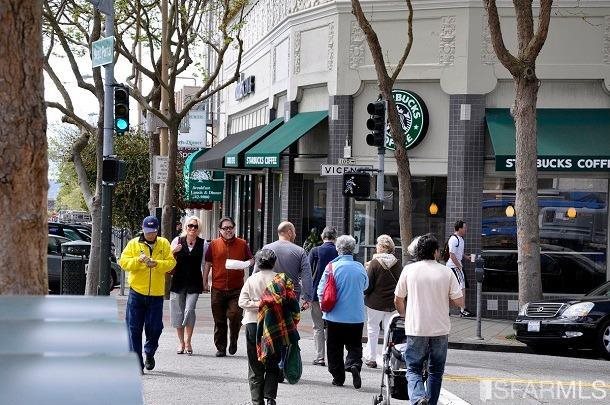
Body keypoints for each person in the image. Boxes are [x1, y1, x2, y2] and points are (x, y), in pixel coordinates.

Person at [394, 234, 464, 405]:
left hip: (416, 327)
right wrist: (442, 298)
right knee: (436, 370)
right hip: (440, 327)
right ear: (435, 252)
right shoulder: (446, 271)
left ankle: (417, 398)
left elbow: (398, 298)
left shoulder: (409, 270)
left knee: (413, 368)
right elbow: (460, 302)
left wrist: (404, 315)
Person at [119, 215, 176, 373]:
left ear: (157, 230)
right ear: (142, 229)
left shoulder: (163, 243)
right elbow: (123, 262)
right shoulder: (133, 244)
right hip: (136, 293)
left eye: (153, 231)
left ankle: (149, 352)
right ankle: (137, 362)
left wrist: (156, 263)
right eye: (147, 231)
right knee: (134, 329)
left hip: (156, 295)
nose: (150, 234)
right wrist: (138, 260)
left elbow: (171, 263)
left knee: (155, 328)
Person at [317, 235, 368, 389]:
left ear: (338, 249)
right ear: (353, 249)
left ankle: (338, 377)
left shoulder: (331, 267)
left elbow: (321, 290)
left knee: (334, 347)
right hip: (356, 316)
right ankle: (354, 364)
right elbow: (365, 287)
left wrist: (321, 305)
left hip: (334, 315)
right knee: (354, 345)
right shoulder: (360, 267)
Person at [203, 217, 254, 357]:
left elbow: (252, 259)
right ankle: (221, 347)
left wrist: (245, 264)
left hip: (236, 288)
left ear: (234, 228)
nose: (228, 230)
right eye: (225, 228)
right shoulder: (213, 244)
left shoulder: (242, 244)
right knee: (219, 320)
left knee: (235, 315)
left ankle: (233, 340)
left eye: (230, 227)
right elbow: (207, 263)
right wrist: (205, 281)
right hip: (218, 288)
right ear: (220, 230)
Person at [239, 249, 281, 405]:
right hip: (274, 324)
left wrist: (257, 304)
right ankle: (270, 396)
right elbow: (288, 304)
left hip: (253, 322)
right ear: (274, 262)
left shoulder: (252, 279)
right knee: (272, 360)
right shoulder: (279, 280)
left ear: (257, 263)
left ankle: (256, 399)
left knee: (255, 362)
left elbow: (242, 302)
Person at [363, 234, 402, 369]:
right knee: (388, 331)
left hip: (375, 302)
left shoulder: (374, 263)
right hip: (392, 303)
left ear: (381, 247)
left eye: (377, 245)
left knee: (372, 329)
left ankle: (371, 358)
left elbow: (368, 286)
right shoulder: (397, 263)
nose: (376, 247)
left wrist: (364, 294)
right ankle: (387, 359)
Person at [169, 215, 206, 355]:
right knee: (178, 311)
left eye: (195, 226)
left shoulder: (203, 244)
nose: (192, 228)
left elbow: (205, 263)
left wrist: (206, 282)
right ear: (185, 227)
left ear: (198, 229)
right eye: (190, 226)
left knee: (189, 310)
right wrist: (174, 251)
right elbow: (168, 260)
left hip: (194, 281)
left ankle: (189, 340)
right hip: (178, 281)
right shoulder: (177, 241)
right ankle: (181, 343)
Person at [263, 221, 313, 308]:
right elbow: (306, 276)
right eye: (294, 232)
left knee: (271, 319)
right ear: (289, 232)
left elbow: (257, 272)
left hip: (270, 292)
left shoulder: (266, 248)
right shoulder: (300, 251)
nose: (295, 234)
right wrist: (307, 297)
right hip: (292, 294)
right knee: (289, 320)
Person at [307, 226, 338, 367]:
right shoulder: (339, 251)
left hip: (316, 294)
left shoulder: (315, 251)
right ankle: (333, 358)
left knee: (318, 326)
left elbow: (307, 272)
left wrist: (306, 294)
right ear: (335, 238)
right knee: (332, 327)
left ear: (322, 236)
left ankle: (320, 357)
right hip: (335, 294)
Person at [445, 219, 472, 317]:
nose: (466, 229)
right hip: (454, 267)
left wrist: (466, 257)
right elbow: (452, 255)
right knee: (462, 287)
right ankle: (462, 309)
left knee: (451, 288)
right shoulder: (454, 239)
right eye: (464, 228)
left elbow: (458, 253)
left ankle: (449, 309)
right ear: (459, 228)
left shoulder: (460, 239)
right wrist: (459, 266)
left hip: (455, 266)